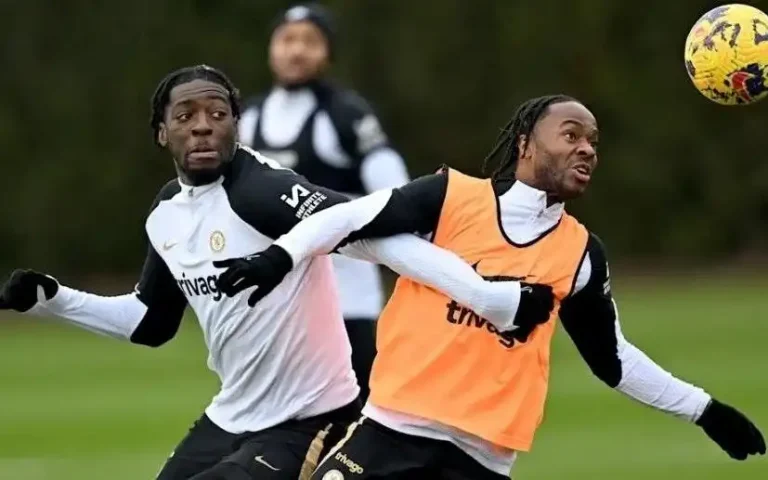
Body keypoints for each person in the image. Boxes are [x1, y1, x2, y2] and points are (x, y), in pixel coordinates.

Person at [0, 65, 545, 480]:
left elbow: (374, 234)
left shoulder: (261, 192)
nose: (203, 127)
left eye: (217, 114)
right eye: (185, 117)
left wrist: (486, 296)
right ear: (162, 132)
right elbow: (150, 322)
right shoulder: (166, 213)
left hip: (311, 419)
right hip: (231, 415)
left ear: (237, 123)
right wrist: (53, 299)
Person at [234, 95, 766, 479]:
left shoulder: (581, 254)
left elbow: (614, 361)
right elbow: (352, 220)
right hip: (389, 436)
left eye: (593, 142)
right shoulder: (451, 197)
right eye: (571, 135)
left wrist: (704, 410)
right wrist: (281, 256)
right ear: (525, 144)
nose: (586, 149)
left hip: (480, 461)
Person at [237, 3, 410, 403]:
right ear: (271, 48)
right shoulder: (248, 118)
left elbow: (396, 192)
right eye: (287, 39)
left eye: (310, 41)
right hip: (275, 305)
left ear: (327, 53)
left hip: (348, 305)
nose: (297, 50)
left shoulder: (347, 115)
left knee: (359, 417)